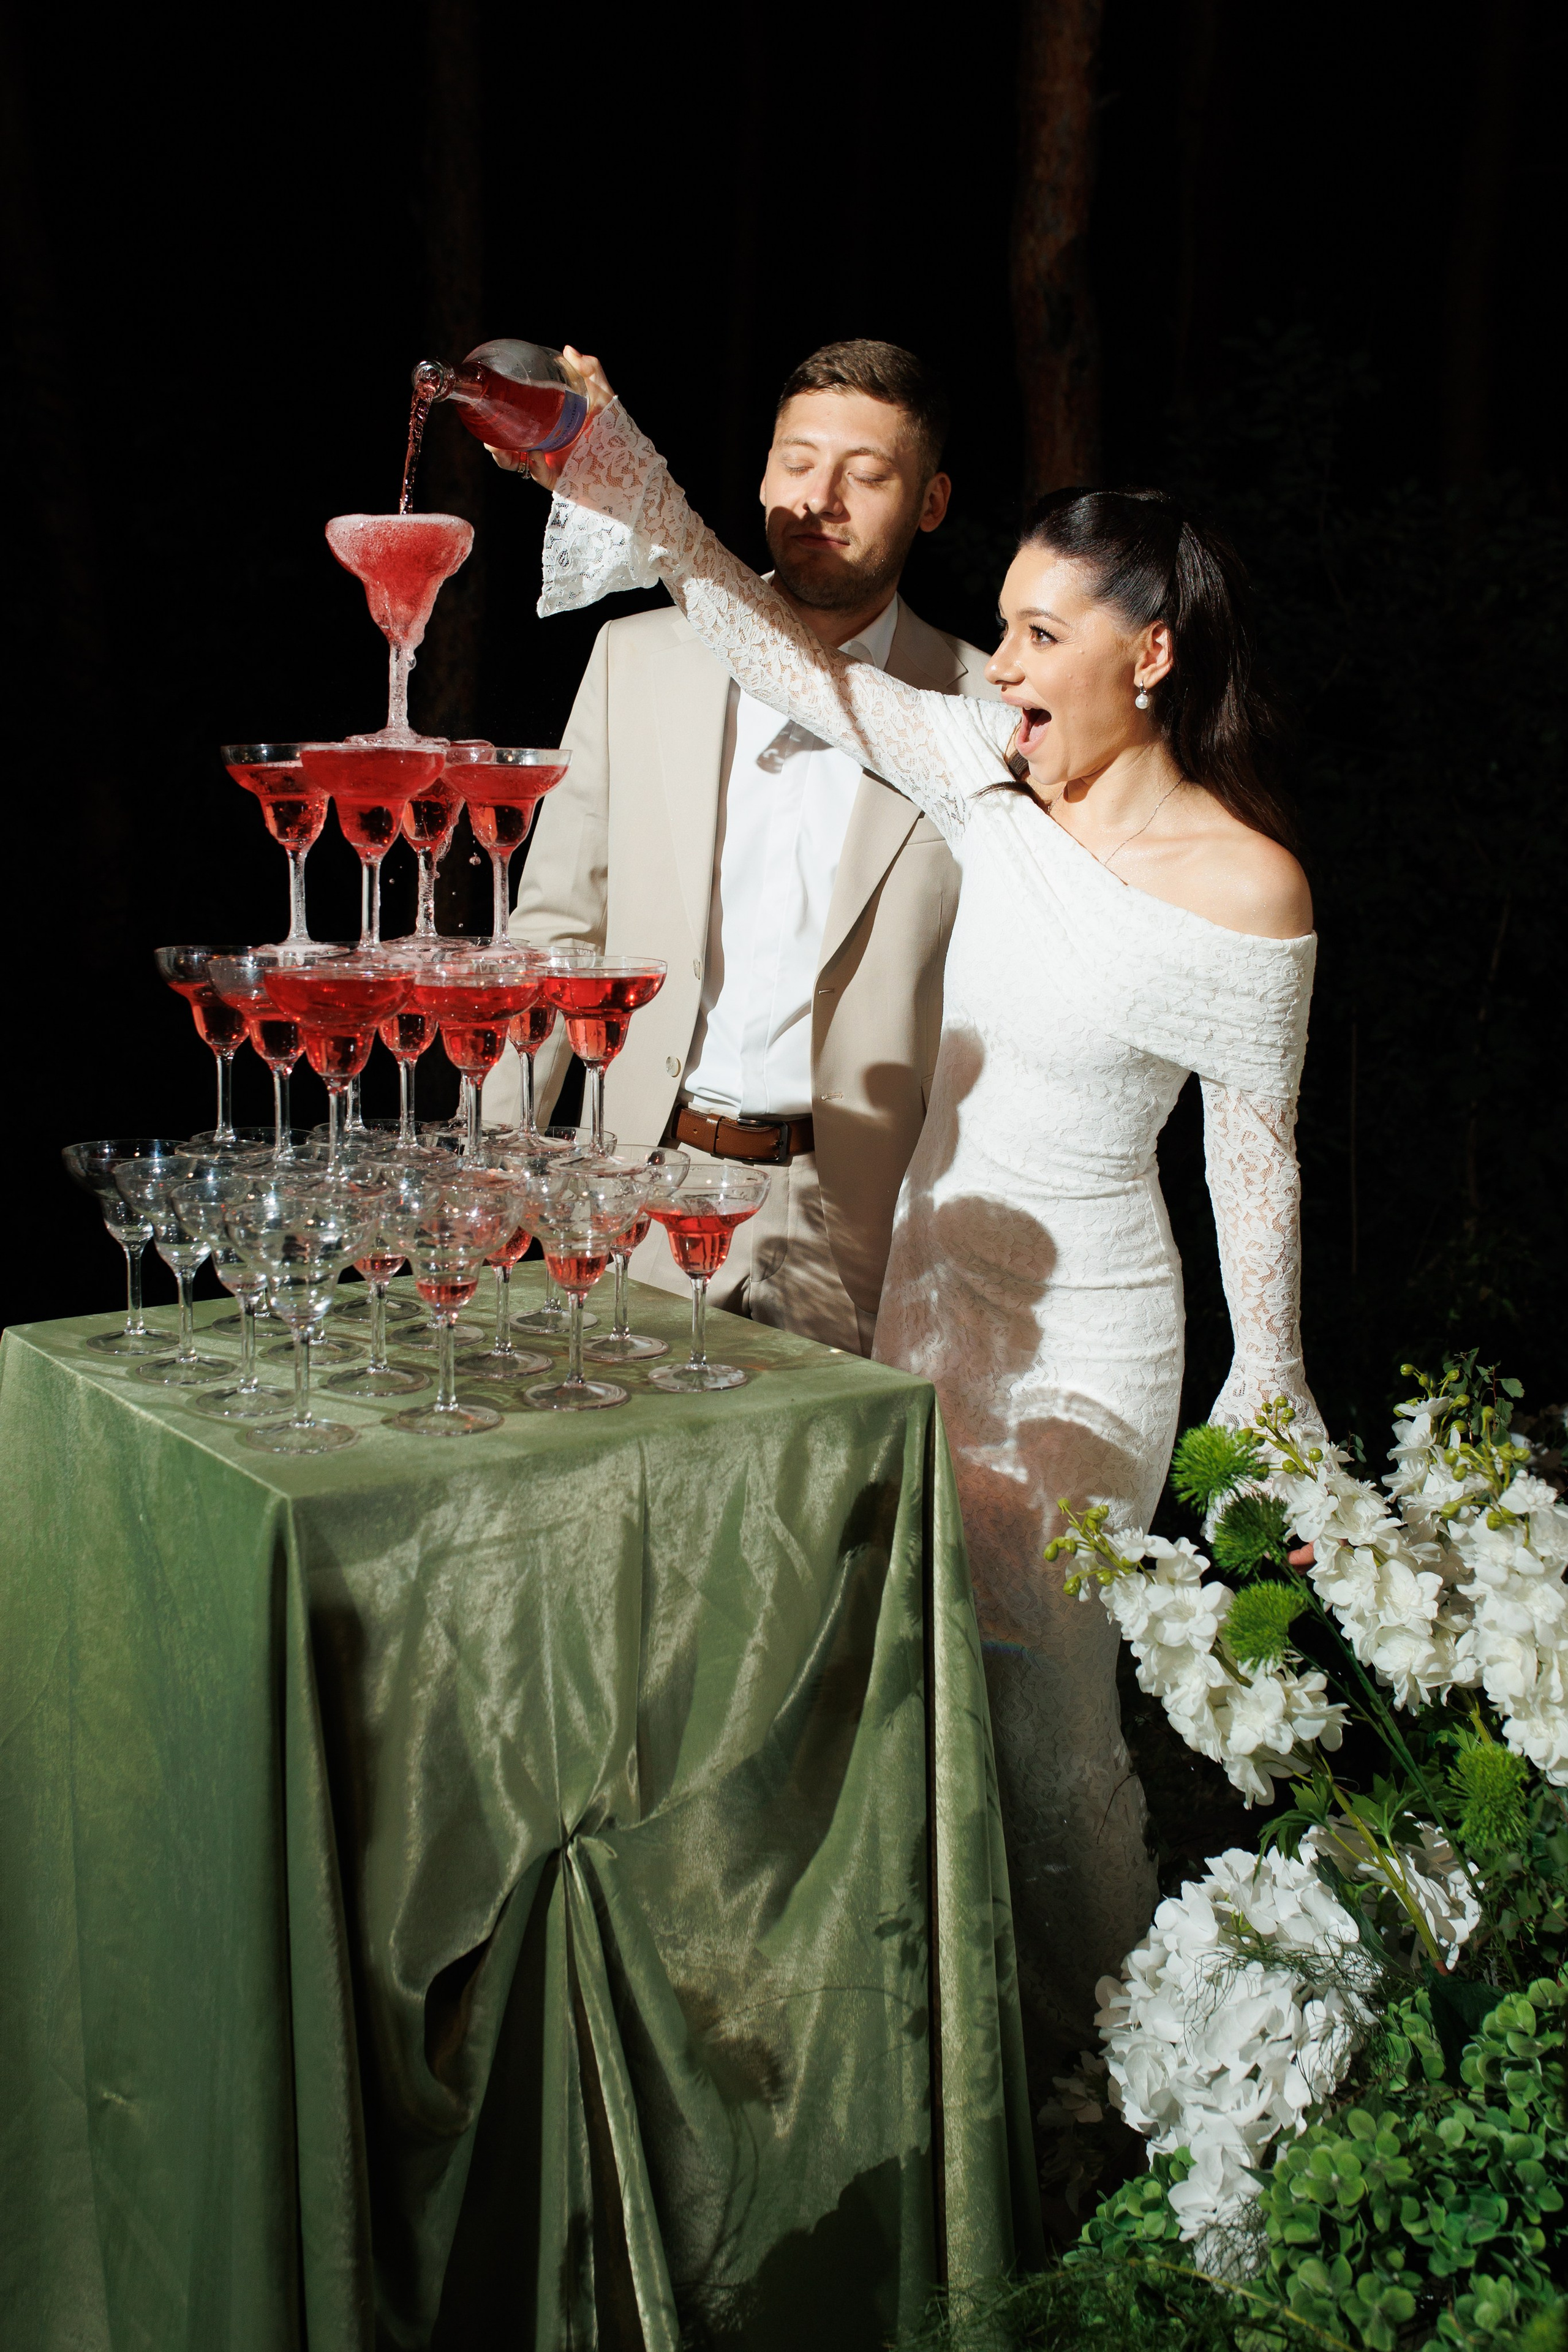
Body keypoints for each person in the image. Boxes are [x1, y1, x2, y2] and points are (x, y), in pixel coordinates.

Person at [502, 352, 1324, 2098]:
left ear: (1152, 656)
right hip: (921, 1305)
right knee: (900, 1695)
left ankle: (1109, 2077)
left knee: (1046, 1729)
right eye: (1005, 631)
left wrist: (1276, 1383)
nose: (1003, 664)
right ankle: (946, 2056)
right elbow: (752, 642)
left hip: (1087, 1333)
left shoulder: (1251, 884)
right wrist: (629, 475)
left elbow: (1256, 1156)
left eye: (1040, 636)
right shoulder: (984, 772)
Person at [481, 340, 996, 1355]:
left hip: (864, 1220)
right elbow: (556, 935)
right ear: (763, 471)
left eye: (868, 474)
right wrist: (494, 1178)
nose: (820, 498)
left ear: (931, 503)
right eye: (797, 461)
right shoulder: (634, 661)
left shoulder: (981, 709)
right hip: (636, 1193)